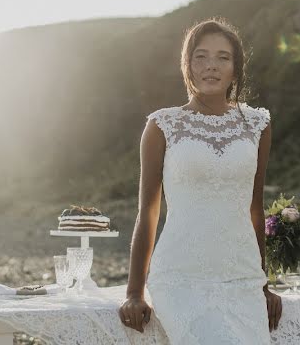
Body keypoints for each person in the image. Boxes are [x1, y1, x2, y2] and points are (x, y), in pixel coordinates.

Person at [118, 17, 283, 343]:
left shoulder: (257, 125)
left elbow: (255, 208)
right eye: (201, 56)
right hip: (180, 277)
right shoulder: (162, 126)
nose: (212, 66)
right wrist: (135, 291)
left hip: (242, 278)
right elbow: (148, 212)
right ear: (188, 66)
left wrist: (263, 285)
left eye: (223, 57)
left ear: (236, 69)